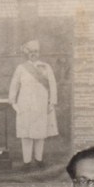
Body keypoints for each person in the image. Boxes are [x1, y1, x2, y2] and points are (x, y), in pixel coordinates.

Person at [9, 39, 58, 169]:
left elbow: (52, 84)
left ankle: (39, 159)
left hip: (41, 104)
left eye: (35, 51)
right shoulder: (21, 68)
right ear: (27, 53)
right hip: (25, 104)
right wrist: (13, 101)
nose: (33, 54)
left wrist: (52, 102)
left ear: (39, 52)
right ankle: (26, 162)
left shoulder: (46, 67)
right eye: (31, 51)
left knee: (40, 134)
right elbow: (14, 85)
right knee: (26, 135)